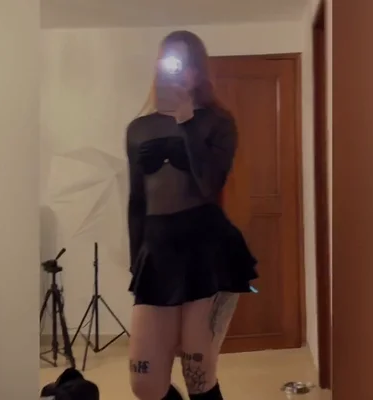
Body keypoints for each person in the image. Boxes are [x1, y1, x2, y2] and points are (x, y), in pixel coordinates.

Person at [125, 30, 258, 400]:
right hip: (157, 253)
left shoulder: (218, 122)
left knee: (198, 373)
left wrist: (187, 122)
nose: (174, 69)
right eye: (168, 60)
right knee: (144, 382)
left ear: (197, 71)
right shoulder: (139, 128)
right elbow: (137, 200)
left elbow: (209, 185)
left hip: (206, 251)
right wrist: (137, 261)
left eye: (183, 62)